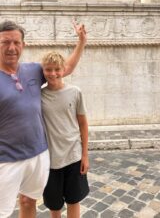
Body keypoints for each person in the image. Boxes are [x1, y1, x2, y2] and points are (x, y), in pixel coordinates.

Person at [0, 19, 86, 218]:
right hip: (6, 159)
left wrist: (81, 42)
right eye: (5, 42)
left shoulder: (33, 70)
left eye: (16, 42)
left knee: (29, 200)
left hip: (38, 154)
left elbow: (65, 69)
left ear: (23, 45)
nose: (11, 47)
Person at [41, 51, 89, 218]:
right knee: (54, 205)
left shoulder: (75, 92)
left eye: (57, 69)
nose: (53, 73)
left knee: (73, 201)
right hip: (50, 161)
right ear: (43, 70)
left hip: (74, 157)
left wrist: (85, 155)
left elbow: (83, 124)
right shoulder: (38, 96)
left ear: (63, 70)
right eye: (48, 69)